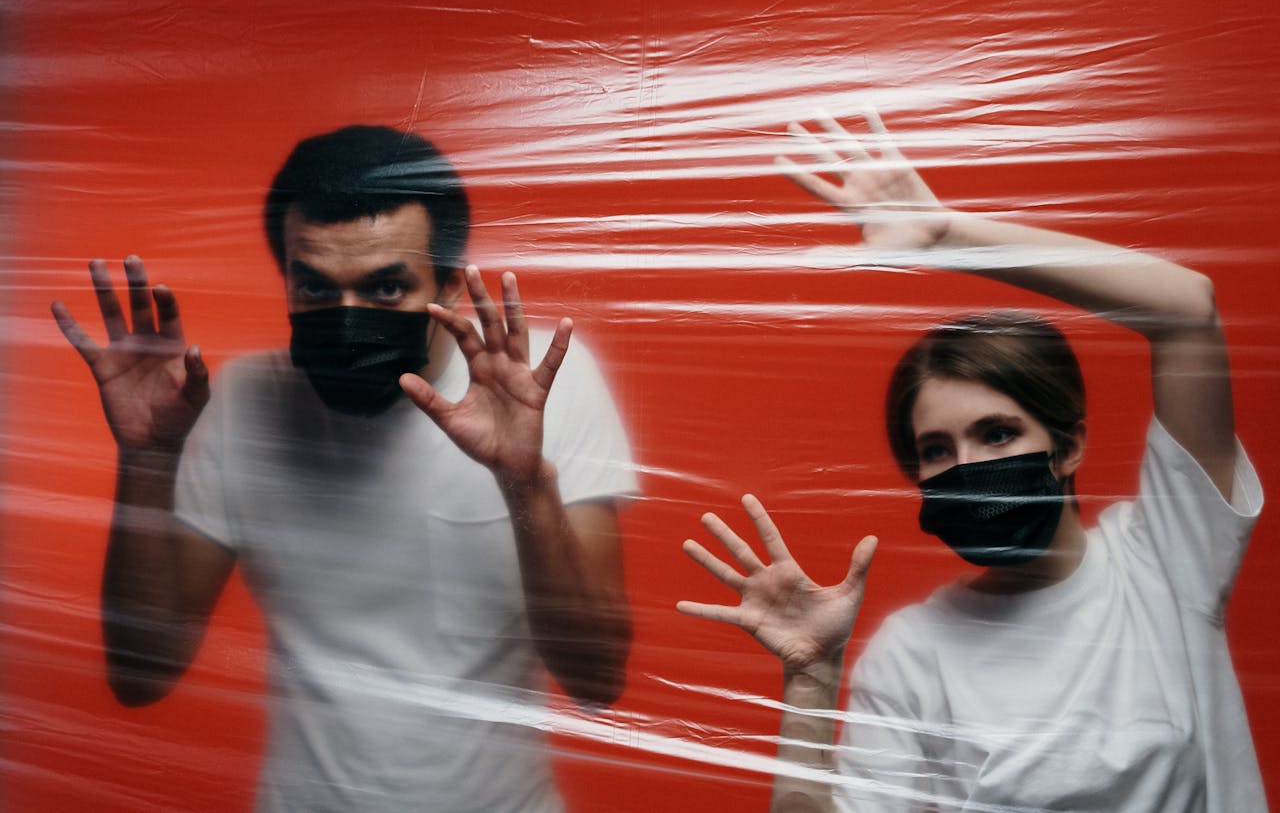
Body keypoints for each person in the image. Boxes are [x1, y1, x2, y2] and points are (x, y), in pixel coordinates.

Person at [677, 111, 1265, 812]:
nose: (968, 465)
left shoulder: (1165, 564)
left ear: (1068, 446)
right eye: (936, 449)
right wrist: (811, 678)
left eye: (997, 434)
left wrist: (947, 236)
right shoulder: (913, 655)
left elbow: (1187, 311)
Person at [50, 125, 637, 812]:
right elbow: (140, 675)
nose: (349, 320)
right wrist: (148, 459)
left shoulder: (545, 385)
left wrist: (523, 479)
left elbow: (597, 678)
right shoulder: (243, 403)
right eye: (316, 287)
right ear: (288, 281)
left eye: (386, 288)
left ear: (449, 285)